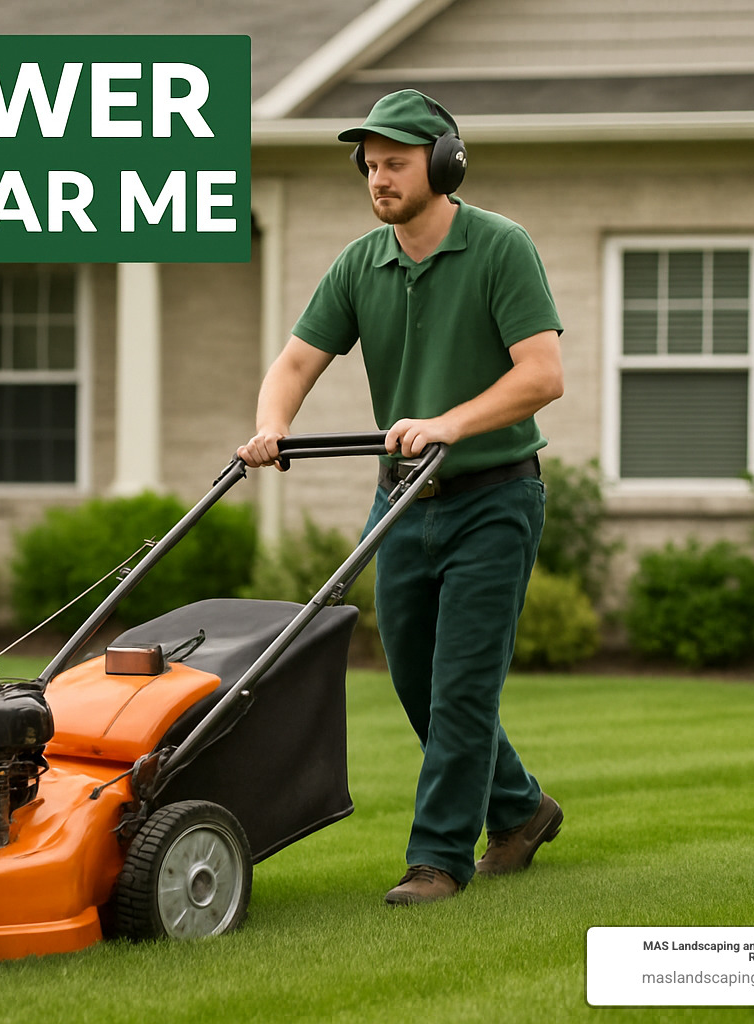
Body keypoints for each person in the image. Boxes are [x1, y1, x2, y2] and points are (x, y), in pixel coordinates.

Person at [236, 89, 566, 905]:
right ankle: (522, 808)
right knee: (416, 681)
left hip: (495, 499)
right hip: (404, 501)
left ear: (444, 164)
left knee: (461, 686)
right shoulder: (361, 263)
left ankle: (439, 860)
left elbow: (542, 376)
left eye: (396, 162)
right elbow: (296, 363)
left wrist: (448, 422)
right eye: (370, 164)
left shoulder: (500, 248)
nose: (379, 177)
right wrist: (270, 428)